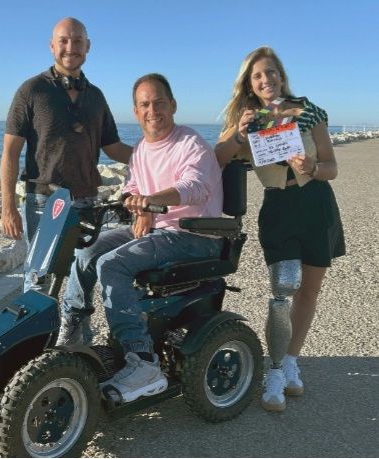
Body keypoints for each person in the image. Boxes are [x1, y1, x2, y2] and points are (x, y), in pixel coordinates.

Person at [56, 73, 224, 403]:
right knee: (86, 252)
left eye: (159, 102)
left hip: (193, 234)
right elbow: (132, 186)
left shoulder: (190, 143)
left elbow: (195, 187)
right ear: (136, 111)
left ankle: (143, 361)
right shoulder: (142, 150)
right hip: (157, 229)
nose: (152, 110)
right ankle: (74, 330)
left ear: (172, 105)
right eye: (145, 104)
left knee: (112, 264)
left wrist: (151, 202)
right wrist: (137, 204)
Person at [214, 46, 345, 412]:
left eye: (270, 72)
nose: (265, 79)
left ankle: (290, 361)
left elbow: (332, 167)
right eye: (257, 76)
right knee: (282, 289)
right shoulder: (247, 120)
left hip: (316, 203)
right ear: (249, 84)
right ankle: (272, 370)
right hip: (278, 208)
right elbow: (215, 160)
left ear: (281, 75)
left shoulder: (308, 111)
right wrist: (239, 134)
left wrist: (312, 167)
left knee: (309, 291)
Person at [0, 17, 132, 293]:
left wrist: (158, 156)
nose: (71, 47)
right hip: (44, 201)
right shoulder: (31, 90)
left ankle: (74, 322)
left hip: (86, 200)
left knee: (80, 278)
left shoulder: (96, 96)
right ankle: (37, 323)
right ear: (52, 46)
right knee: (39, 279)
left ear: (88, 46)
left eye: (77, 41)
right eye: (64, 41)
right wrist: (8, 206)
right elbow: (10, 152)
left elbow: (114, 148)